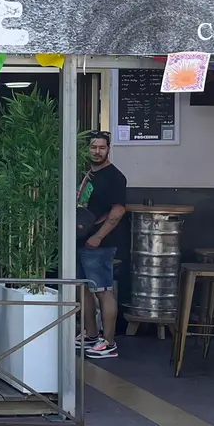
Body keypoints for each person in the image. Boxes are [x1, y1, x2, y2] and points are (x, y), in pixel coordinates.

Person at [77, 131, 128, 359]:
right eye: (93, 147)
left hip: (101, 242)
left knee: (102, 290)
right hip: (81, 238)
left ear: (108, 149)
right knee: (83, 288)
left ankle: (109, 342)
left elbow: (118, 210)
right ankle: (90, 335)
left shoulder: (115, 177)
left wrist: (98, 236)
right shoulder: (86, 173)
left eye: (102, 147)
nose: (97, 152)